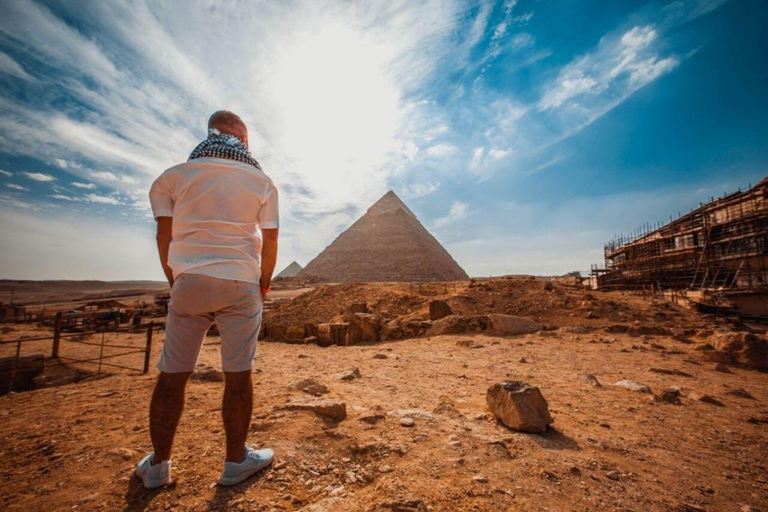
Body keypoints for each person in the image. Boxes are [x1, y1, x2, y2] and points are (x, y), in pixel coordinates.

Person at [135, 111, 279, 489]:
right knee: (238, 375)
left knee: (172, 375)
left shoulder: (172, 177)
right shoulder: (261, 181)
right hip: (241, 284)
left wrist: (176, 277)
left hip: (189, 281)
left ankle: (158, 466)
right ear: (244, 141)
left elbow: (163, 237)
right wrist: (262, 284)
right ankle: (235, 462)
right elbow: (270, 241)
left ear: (209, 134)